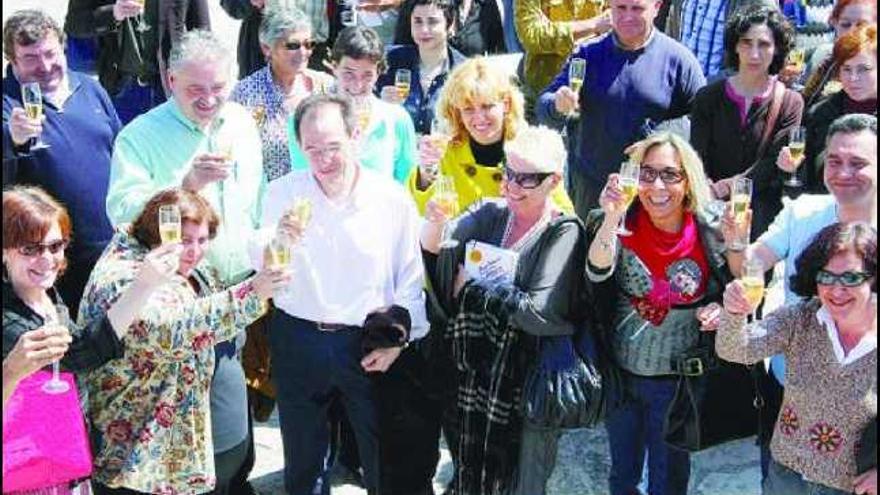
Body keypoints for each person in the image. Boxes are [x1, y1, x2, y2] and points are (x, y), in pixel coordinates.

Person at [104, 30, 266, 495]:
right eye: (196, 89)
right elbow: (121, 214)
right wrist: (185, 184)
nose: (210, 99)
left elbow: (252, 204)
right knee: (192, 437)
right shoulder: (140, 136)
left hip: (236, 294)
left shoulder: (241, 122)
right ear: (170, 79)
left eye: (218, 87)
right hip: (174, 308)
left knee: (233, 429)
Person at [258, 93, 428, 495]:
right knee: (302, 459)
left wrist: (398, 344)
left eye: (333, 146)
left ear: (356, 136)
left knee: (381, 454)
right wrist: (277, 239)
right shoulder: (282, 194)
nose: (323, 159)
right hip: (298, 336)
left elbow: (410, 276)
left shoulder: (390, 199)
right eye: (311, 148)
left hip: (366, 339)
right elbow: (264, 262)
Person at [81, 188, 289, 495]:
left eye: (202, 240)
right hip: (134, 460)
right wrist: (253, 292)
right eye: (184, 240)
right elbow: (170, 331)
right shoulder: (123, 275)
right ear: (157, 231)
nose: (193, 251)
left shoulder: (165, 259)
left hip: (164, 457)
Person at [423, 125, 587, 495]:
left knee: (520, 483)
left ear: (554, 180)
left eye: (526, 179)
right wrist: (434, 221)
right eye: (508, 173)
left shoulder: (563, 232)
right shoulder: (491, 212)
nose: (511, 186)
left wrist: (476, 287)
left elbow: (539, 313)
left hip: (525, 386)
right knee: (468, 475)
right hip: (473, 376)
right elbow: (439, 256)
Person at [723, 112, 877, 478]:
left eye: (858, 163)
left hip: (864, 413)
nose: (843, 172)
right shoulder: (803, 210)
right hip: (790, 390)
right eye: (835, 160)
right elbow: (749, 266)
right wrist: (735, 240)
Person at [2, 186, 179, 492]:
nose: (46, 259)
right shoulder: (9, 317)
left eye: (55, 246)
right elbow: (81, 354)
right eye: (30, 249)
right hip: (21, 470)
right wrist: (143, 285)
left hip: (58, 459)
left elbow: (77, 347)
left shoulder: (44, 295)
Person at [585, 132, 728, 495]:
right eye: (646, 174)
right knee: (622, 475)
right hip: (620, 374)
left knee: (669, 480)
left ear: (688, 180)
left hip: (676, 383)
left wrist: (721, 307)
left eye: (669, 174)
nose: (656, 186)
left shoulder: (711, 228)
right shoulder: (618, 220)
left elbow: (744, 283)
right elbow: (596, 272)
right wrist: (610, 217)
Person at [718, 221, 877, 495]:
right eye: (825, 277)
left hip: (851, 487)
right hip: (786, 477)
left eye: (851, 278)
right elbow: (736, 350)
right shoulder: (799, 318)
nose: (836, 290)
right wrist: (733, 313)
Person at [537, 0, 706, 220]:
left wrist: (661, 138)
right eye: (620, 8)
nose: (627, 16)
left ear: (657, 7)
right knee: (594, 253)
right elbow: (544, 106)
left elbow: (703, 121)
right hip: (593, 189)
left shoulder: (678, 60)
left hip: (655, 194)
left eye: (637, 9)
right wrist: (557, 105)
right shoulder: (588, 55)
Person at [2, 9, 121, 317]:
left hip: (109, 251)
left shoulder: (91, 88)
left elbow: (121, 151)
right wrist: (11, 139)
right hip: (50, 261)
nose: (44, 66)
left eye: (50, 54)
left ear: (63, 47)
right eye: (30, 58)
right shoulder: (7, 103)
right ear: (12, 62)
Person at [690, 4, 804, 239]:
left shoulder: (790, 102)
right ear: (735, 46)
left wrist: (728, 187)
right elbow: (695, 156)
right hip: (711, 217)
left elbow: (772, 163)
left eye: (763, 44)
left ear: (777, 49)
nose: (754, 54)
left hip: (761, 221)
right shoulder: (707, 97)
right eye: (746, 42)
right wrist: (707, 189)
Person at [409, 56, 573, 214]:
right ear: (457, 112)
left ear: (506, 104)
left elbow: (563, 217)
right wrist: (426, 175)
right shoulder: (445, 152)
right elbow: (422, 213)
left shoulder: (533, 150)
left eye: (487, 106)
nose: (479, 117)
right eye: (468, 109)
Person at [288, 26, 418, 184]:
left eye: (367, 75)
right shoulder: (305, 120)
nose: (358, 85)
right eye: (348, 74)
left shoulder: (397, 119)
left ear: (379, 72)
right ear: (334, 67)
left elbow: (408, 186)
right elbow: (302, 183)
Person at [64, 0, 211, 124]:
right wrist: (113, 13)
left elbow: (202, 32)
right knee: (126, 151)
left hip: (170, 84)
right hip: (123, 86)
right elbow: (74, 23)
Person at [231, 7, 334, 182]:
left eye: (308, 44)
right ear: (266, 48)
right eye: (293, 46)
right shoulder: (246, 94)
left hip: (321, 195)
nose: (303, 53)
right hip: (270, 198)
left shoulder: (328, 87)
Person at [787, 23, 877, 194]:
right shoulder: (820, 113)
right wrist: (790, 170)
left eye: (864, 69)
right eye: (846, 69)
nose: (853, 78)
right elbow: (804, 185)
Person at [377, 0, 466, 135]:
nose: (424, 30)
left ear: (450, 25)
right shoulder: (390, 61)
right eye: (418, 21)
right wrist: (379, 104)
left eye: (432, 22)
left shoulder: (463, 72)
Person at [514, 0, 611, 111]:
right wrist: (592, 25)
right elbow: (532, 36)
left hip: (596, 93)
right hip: (547, 96)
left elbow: (616, 20)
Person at [664, 0, 778, 80]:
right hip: (681, 99)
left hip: (725, 103)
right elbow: (670, 42)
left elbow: (763, 60)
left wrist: (709, 89)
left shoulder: (757, 2)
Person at [802, 0, 876, 109]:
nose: (852, 31)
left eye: (861, 25)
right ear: (834, 23)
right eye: (845, 25)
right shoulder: (825, 61)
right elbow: (806, 106)